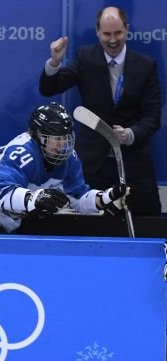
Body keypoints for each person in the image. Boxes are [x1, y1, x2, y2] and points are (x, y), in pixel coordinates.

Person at [39, 6, 162, 216]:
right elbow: (49, 89)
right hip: (92, 164)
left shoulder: (146, 65)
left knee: (147, 225)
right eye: (106, 34)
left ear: (127, 30)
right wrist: (55, 62)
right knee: (89, 228)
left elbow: (153, 117)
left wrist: (130, 134)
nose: (112, 40)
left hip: (134, 164)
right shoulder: (86, 57)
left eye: (117, 33)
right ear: (98, 31)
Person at [0, 103, 130, 233]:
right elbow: (4, 193)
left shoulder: (69, 159)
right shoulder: (22, 152)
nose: (62, 145)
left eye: (66, 138)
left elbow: (78, 198)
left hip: (9, 216)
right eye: (56, 139)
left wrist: (106, 197)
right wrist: (35, 198)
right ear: (38, 136)